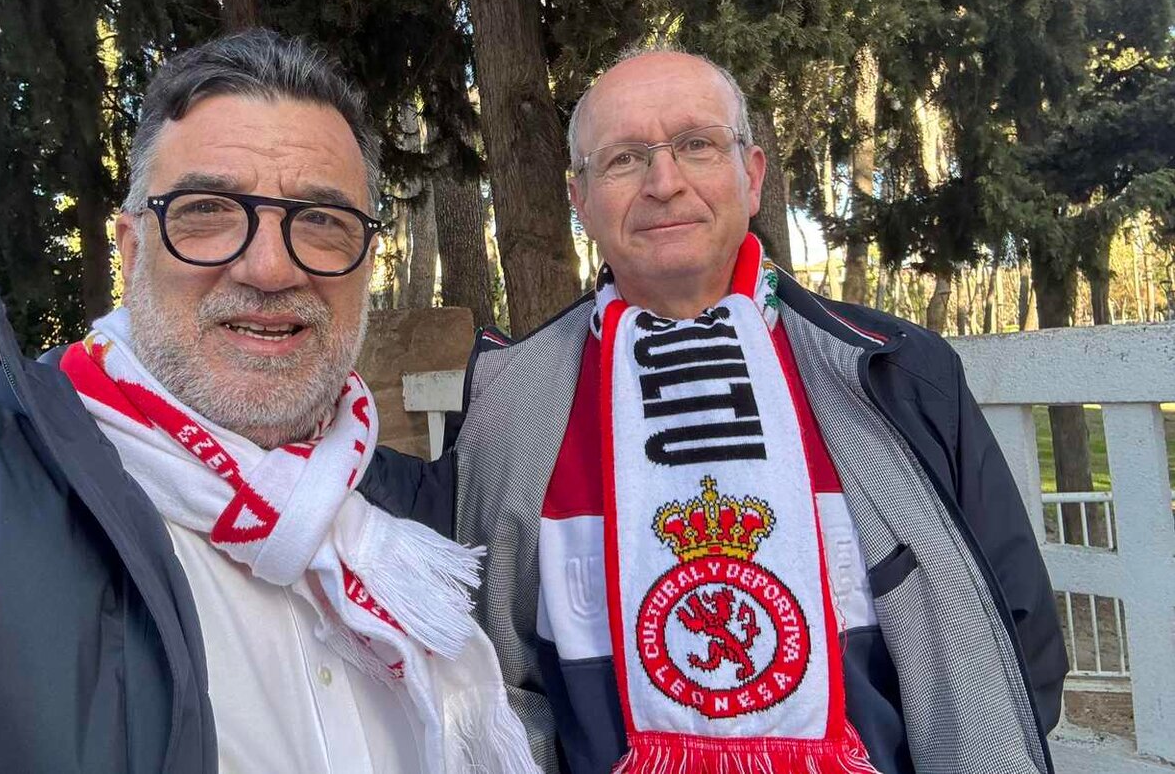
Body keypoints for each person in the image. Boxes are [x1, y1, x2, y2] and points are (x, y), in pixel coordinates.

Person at [0, 29, 535, 774]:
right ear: (133, 251)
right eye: (206, 211)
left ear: (364, 260)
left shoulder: (418, 519)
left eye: (322, 221)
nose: (268, 267)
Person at [444, 48, 1069, 773]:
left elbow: (1012, 647)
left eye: (696, 145)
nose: (664, 182)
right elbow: (491, 683)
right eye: (622, 160)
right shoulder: (510, 408)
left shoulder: (901, 376)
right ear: (580, 201)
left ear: (754, 176)